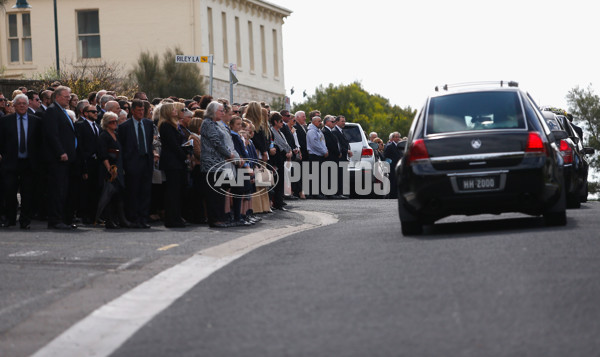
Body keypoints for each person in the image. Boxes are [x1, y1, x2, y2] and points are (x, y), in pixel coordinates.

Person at [0, 94, 42, 229]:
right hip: (11, 162)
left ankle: (25, 220)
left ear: (28, 105)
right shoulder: (6, 121)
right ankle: (10, 219)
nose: (22, 106)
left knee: (27, 194)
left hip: (29, 163)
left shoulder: (36, 121)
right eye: (19, 104)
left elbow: (39, 142)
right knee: (10, 192)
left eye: (24, 103)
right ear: (14, 106)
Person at [44, 86, 79, 230]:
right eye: (66, 96)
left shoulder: (62, 111)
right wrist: (60, 152)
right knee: (58, 190)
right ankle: (55, 219)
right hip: (58, 159)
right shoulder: (52, 111)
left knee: (65, 190)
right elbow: (52, 134)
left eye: (69, 96)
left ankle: (64, 218)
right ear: (57, 97)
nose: (69, 99)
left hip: (68, 158)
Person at [118, 99, 155, 228]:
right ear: (132, 111)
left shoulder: (148, 124)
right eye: (138, 110)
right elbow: (122, 146)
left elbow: (149, 142)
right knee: (133, 191)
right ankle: (133, 218)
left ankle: (143, 218)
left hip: (146, 161)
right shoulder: (124, 127)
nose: (141, 112)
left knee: (145, 191)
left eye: (143, 110)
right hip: (132, 162)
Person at [200, 101, 236, 228]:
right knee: (214, 194)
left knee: (219, 192)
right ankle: (215, 219)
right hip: (211, 164)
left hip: (219, 163)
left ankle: (220, 218)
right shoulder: (208, 123)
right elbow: (216, 142)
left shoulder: (215, 124)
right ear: (213, 111)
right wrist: (228, 154)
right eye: (221, 111)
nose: (223, 113)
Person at [97, 112, 130, 229]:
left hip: (119, 167)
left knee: (119, 194)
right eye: (111, 122)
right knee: (110, 194)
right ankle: (109, 221)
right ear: (106, 123)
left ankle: (121, 219)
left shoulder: (116, 134)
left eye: (116, 121)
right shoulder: (103, 136)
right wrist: (109, 169)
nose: (114, 124)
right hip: (109, 169)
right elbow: (103, 154)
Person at [157, 102, 189, 228]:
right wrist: (183, 155)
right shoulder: (165, 125)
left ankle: (176, 217)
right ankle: (171, 219)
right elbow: (173, 145)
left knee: (177, 191)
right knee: (172, 192)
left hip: (177, 161)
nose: (176, 111)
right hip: (172, 162)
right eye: (174, 109)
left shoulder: (174, 125)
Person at [75, 103, 102, 225]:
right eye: (93, 112)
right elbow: (80, 146)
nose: (96, 114)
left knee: (95, 190)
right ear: (85, 113)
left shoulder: (97, 126)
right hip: (86, 162)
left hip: (97, 163)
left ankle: (93, 215)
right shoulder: (80, 125)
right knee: (85, 191)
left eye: (96, 112)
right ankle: (84, 215)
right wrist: (83, 167)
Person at [269, 112, 292, 210]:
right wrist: (285, 151)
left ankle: (280, 201)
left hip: (283, 158)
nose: (283, 123)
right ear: (275, 121)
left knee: (282, 180)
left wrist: (290, 151)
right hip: (276, 159)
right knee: (277, 182)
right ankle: (277, 203)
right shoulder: (272, 131)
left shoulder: (280, 132)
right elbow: (277, 145)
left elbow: (286, 144)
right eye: (281, 121)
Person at [306, 115, 328, 198]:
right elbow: (315, 144)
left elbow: (322, 142)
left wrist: (325, 150)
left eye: (321, 121)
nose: (320, 122)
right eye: (319, 121)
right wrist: (323, 151)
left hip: (320, 155)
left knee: (319, 175)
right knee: (315, 175)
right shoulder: (312, 131)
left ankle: (319, 192)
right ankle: (315, 193)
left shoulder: (319, 131)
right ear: (314, 122)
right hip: (315, 155)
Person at [384, 131, 403, 199]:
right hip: (392, 167)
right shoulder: (390, 146)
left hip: (399, 166)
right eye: (396, 137)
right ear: (393, 138)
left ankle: (397, 195)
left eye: (398, 137)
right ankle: (392, 196)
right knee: (393, 181)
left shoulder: (400, 146)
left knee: (398, 181)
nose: (398, 138)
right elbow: (385, 156)